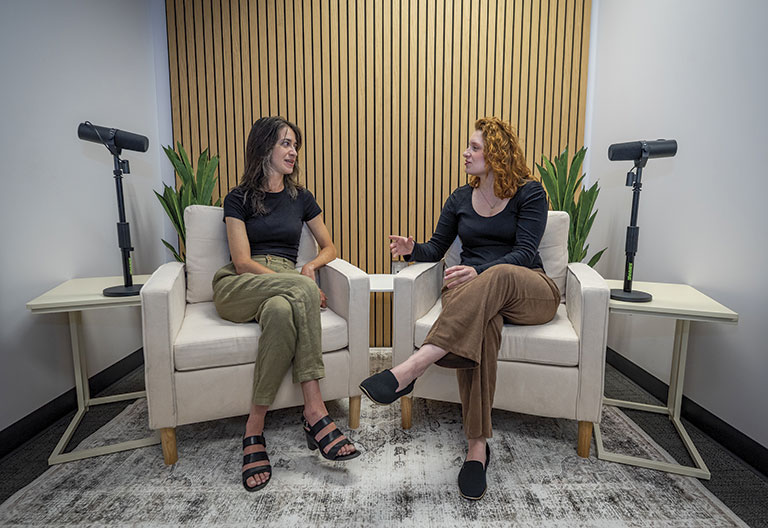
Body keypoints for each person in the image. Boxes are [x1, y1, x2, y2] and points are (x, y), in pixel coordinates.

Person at [360, 117, 560, 501]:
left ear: (496, 153)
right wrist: (411, 249)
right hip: (471, 297)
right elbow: (436, 250)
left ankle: (415, 365)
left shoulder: (529, 193)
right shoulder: (457, 199)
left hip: (527, 288)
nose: (465, 154)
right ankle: (476, 448)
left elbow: (524, 253)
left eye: (474, 147)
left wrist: (479, 270)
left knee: (499, 272)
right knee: (482, 327)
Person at [213, 116, 360, 493]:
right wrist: (301, 284)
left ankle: (253, 429)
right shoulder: (238, 198)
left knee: (281, 313)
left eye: (295, 144)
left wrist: (309, 266)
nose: (293, 151)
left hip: (283, 287)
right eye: (285, 143)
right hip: (241, 282)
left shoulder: (301, 198)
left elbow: (330, 247)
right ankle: (315, 411)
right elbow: (243, 261)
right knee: (303, 293)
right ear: (264, 148)